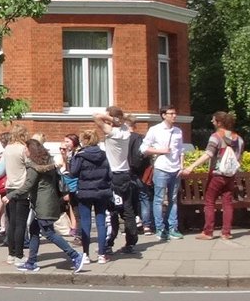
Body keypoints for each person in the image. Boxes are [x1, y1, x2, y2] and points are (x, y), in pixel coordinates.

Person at [19, 138, 86, 273]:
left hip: (43, 204)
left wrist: (11, 196)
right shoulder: (47, 161)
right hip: (47, 201)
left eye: (25, 148)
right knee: (34, 230)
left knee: (48, 233)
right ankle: (31, 262)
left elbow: (28, 185)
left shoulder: (33, 167)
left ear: (30, 150)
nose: (24, 151)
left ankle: (75, 255)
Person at [187, 111, 244, 240]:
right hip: (230, 175)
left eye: (213, 120)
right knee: (227, 202)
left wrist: (191, 166)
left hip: (217, 175)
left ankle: (208, 232)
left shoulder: (216, 136)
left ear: (219, 122)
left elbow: (208, 154)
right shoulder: (239, 139)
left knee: (209, 202)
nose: (212, 122)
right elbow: (238, 159)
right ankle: (226, 233)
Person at [94, 107, 139, 254]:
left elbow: (96, 117)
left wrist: (111, 118)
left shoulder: (113, 132)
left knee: (112, 210)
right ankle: (131, 242)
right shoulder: (125, 130)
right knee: (127, 209)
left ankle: (109, 242)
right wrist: (119, 118)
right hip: (125, 173)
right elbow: (131, 119)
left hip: (114, 175)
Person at [70, 129, 112, 263]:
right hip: (101, 191)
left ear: (84, 140)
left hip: (85, 191)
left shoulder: (80, 155)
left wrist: (72, 158)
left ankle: (86, 254)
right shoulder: (104, 155)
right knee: (101, 222)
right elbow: (109, 175)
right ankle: (101, 254)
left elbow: (73, 173)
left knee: (86, 222)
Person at [143, 106, 184, 240]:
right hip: (161, 168)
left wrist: (182, 166)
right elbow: (143, 148)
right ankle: (160, 229)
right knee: (159, 199)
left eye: (175, 113)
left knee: (173, 199)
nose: (174, 116)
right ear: (163, 115)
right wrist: (160, 151)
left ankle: (173, 228)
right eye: (171, 113)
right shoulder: (155, 130)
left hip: (175, 169)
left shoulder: (178, 131)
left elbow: (181, 150)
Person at [1, 125, 33, 266]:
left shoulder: (7, 149)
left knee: (12, 223)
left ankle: (11, 254)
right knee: (21, 224)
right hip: (22, 188)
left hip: (9, 188)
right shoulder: (23, 149)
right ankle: (19, 255)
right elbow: (30, 165)